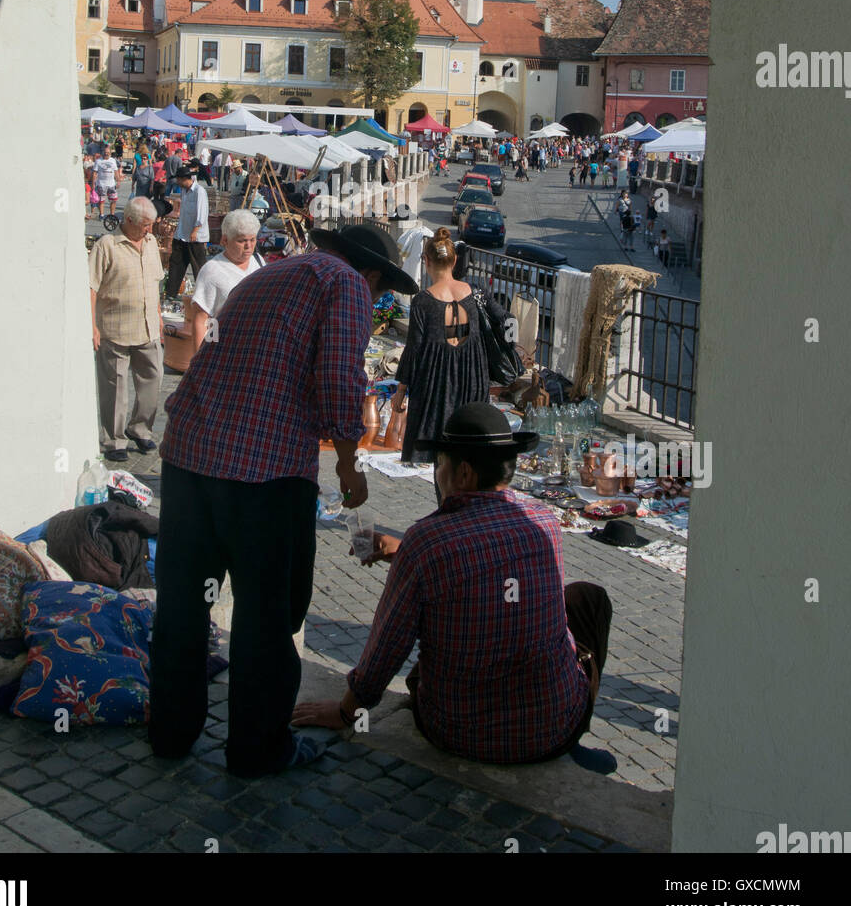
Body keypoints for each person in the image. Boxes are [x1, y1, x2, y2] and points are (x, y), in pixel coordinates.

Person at [148, 224, 420, 774]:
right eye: (380, 290)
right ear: (369, 273)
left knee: (182, 607)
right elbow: (340, 378)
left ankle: (171, 734)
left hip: (191, 458)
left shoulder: (270, 272)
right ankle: (257, 750)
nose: (375, 300)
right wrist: (348, 466)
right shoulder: (344, 284)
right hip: (264, 476)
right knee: (268, 619)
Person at [293, 402, 614, 772]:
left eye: (439, 463)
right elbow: (489, 565)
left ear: (461, 472)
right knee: (587, 600)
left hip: (459, 730)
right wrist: (405, 555)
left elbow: (387, 647)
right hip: (555, 725)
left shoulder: (427, 541)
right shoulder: (544, 521)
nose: (436, 473)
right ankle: (571, 734)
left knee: (579, 600)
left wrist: (346, 712)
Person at [390, 228, 494, 489]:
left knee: (442, 457)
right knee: (466, 451)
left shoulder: (423, 301)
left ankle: (447, 510)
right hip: (472, 379)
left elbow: (414, 349)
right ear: (455, 260)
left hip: (437, 384)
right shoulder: (473, 294)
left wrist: (401, 390)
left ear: (426, 261)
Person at [89, 197, 164, 463]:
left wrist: (158, 314)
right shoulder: (106, 246)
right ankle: (113, 438)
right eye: (145, 225)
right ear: (129, 221)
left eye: (151, 224)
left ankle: (140, 428)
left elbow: (154, 282)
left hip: (148, 327)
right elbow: (91, 287)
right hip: (115, 328)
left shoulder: (152, 243)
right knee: (115, 386)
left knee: (152, 379)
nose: (149, 230)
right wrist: (92, 325)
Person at [186, 209, 263, 353]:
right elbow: (200, 319)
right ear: (225, 240)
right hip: (225, 349)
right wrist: (198, 361)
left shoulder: (258, 262)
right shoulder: (212, 270)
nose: (248, 246)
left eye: (252, 240)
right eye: (242, 241)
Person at [164, 165, 209, 302]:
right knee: (176, 264)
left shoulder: (199, 191)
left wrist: (195, 231)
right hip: (181, 234)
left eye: (178, 179)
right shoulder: (184, 190)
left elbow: (201, 213)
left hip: (195, 236)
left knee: (198, 267)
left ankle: (203, 297)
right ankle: (171, 293)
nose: (177, 182)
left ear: (184, 179)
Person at [93, 150, 119, 219]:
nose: (106, 153)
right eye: (105, 152)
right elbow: (95, 173)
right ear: (102, 153)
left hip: (111, 184)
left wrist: (118, 181)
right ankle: (101, 214)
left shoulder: (113, 160)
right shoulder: (98, 161)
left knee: (113, 200)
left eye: (108, 152)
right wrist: (93, 183)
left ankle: (112, 214)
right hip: (101, 184)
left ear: (110, 153)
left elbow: (116, 171)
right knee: (101, 200)